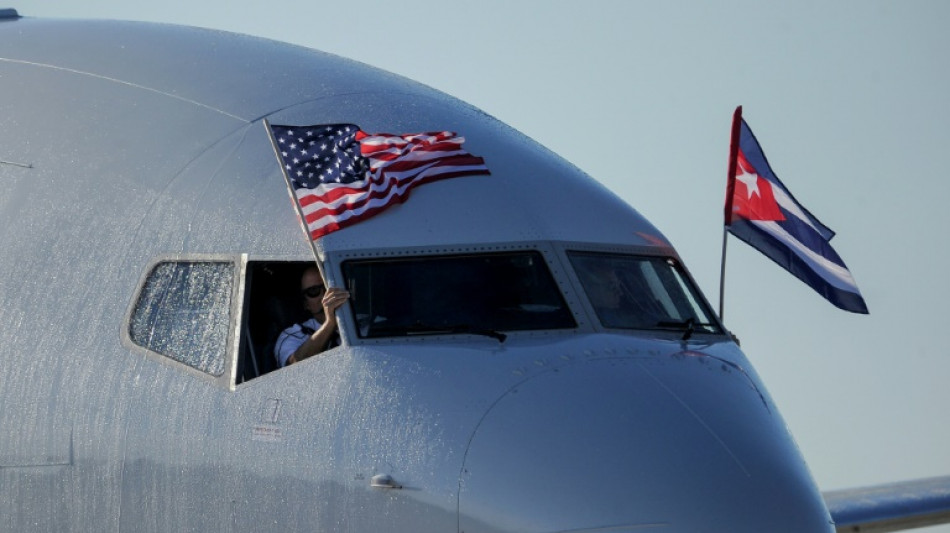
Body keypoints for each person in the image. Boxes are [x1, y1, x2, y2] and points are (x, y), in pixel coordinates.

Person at [274, 266, 350, 367]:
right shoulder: (293, 335)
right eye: (314, 290)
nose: (325, 296)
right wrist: (329, 323)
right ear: (306, 304)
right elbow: (293, 366)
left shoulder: (369, 326)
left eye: (327, 287)